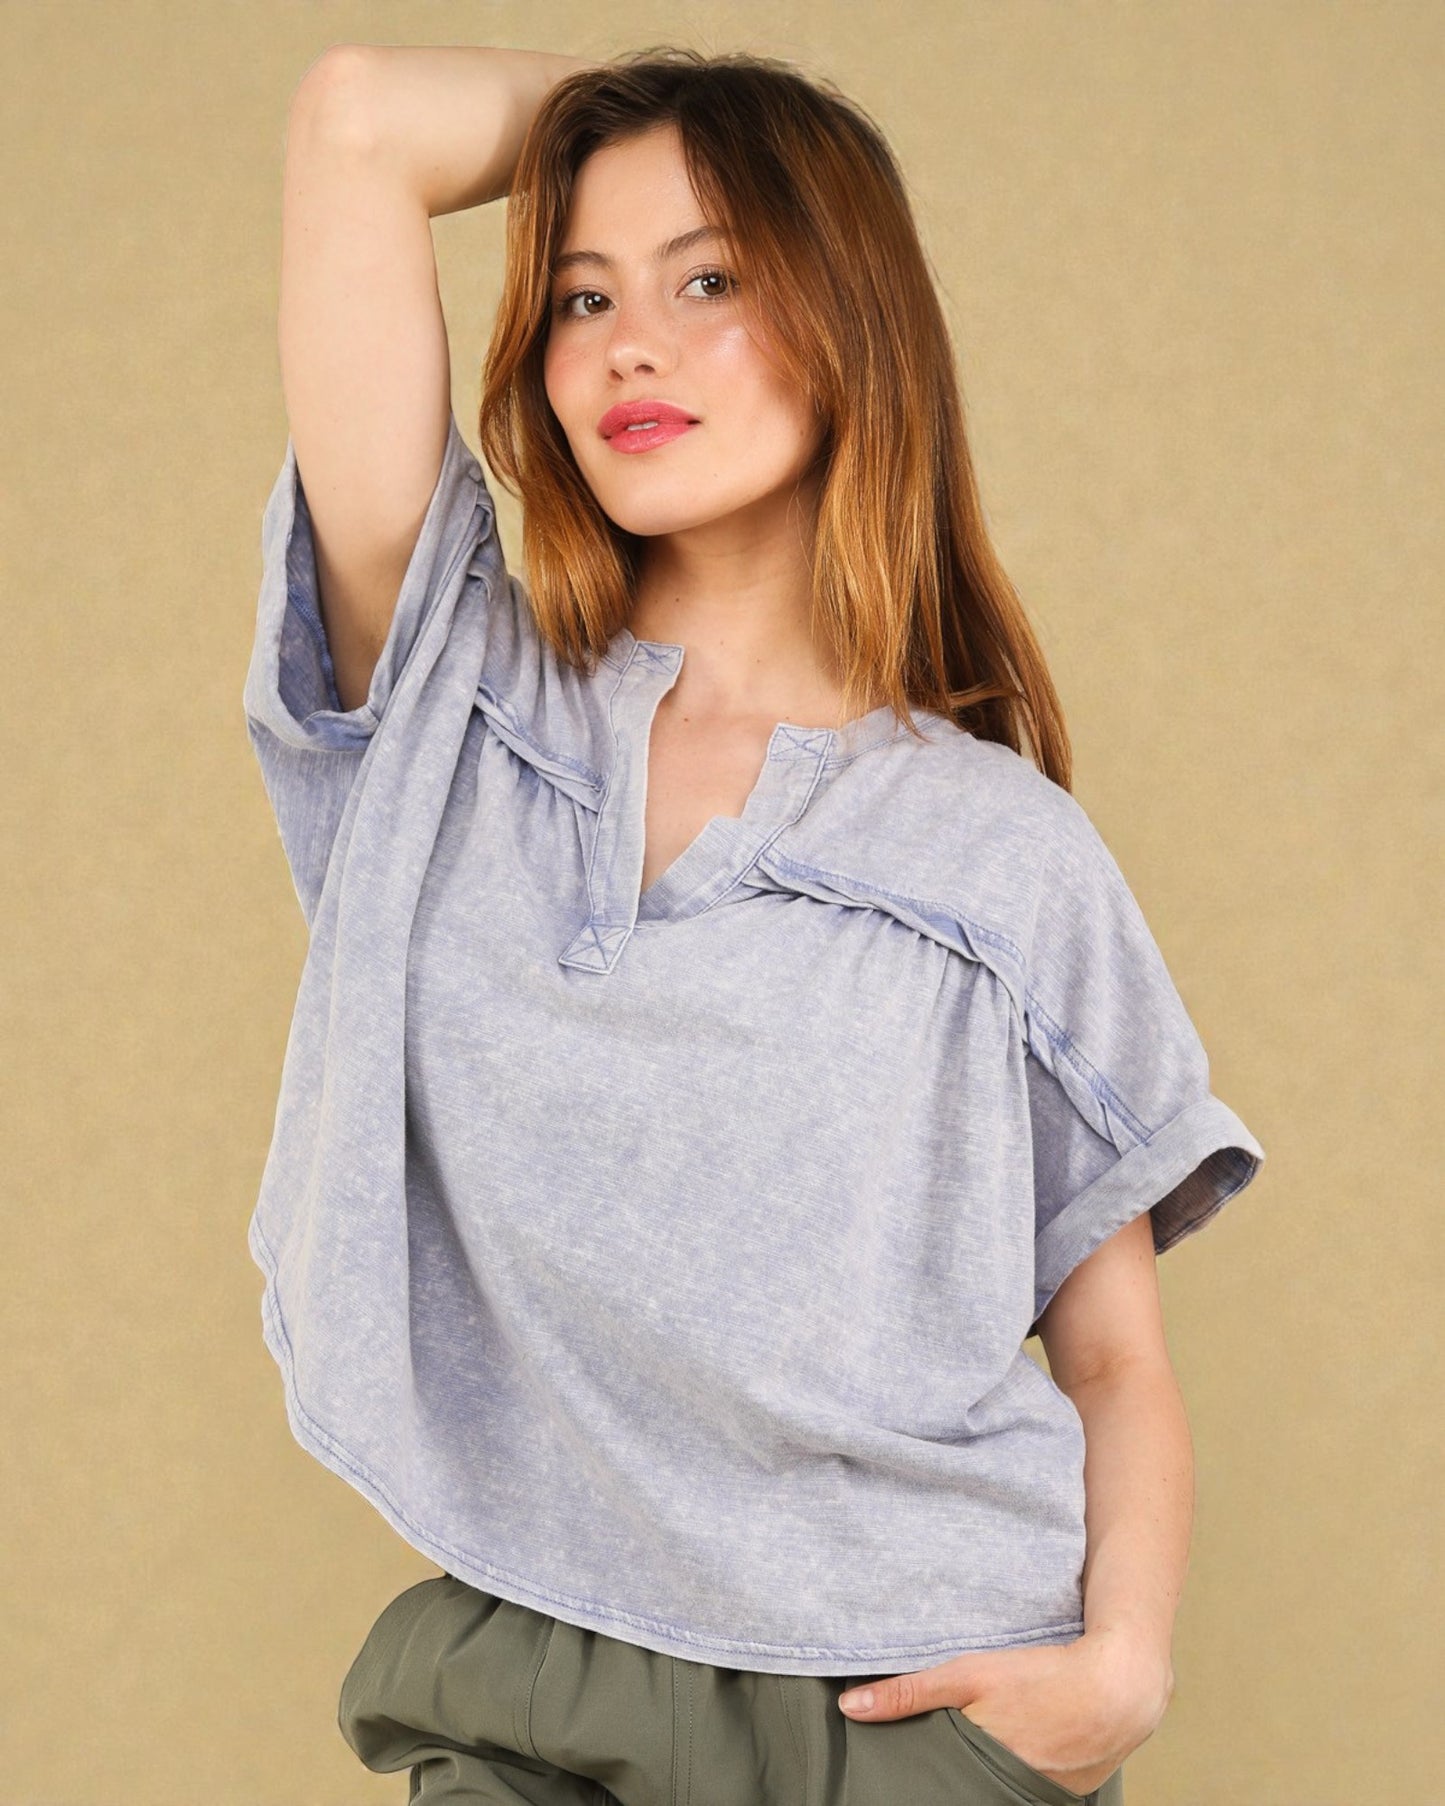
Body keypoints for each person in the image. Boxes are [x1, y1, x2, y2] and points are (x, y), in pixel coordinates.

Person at [242, 41, 1266, 1806]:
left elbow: (1110, 1352)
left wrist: (1120, 1664)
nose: (627, 342)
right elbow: (352, 118)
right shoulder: (451, 698)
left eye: (710, 276)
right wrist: (661, 108)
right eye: (579, 292)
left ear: (847, 311)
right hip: (534, 1669)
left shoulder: (1002, 850)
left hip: (902, 1703)